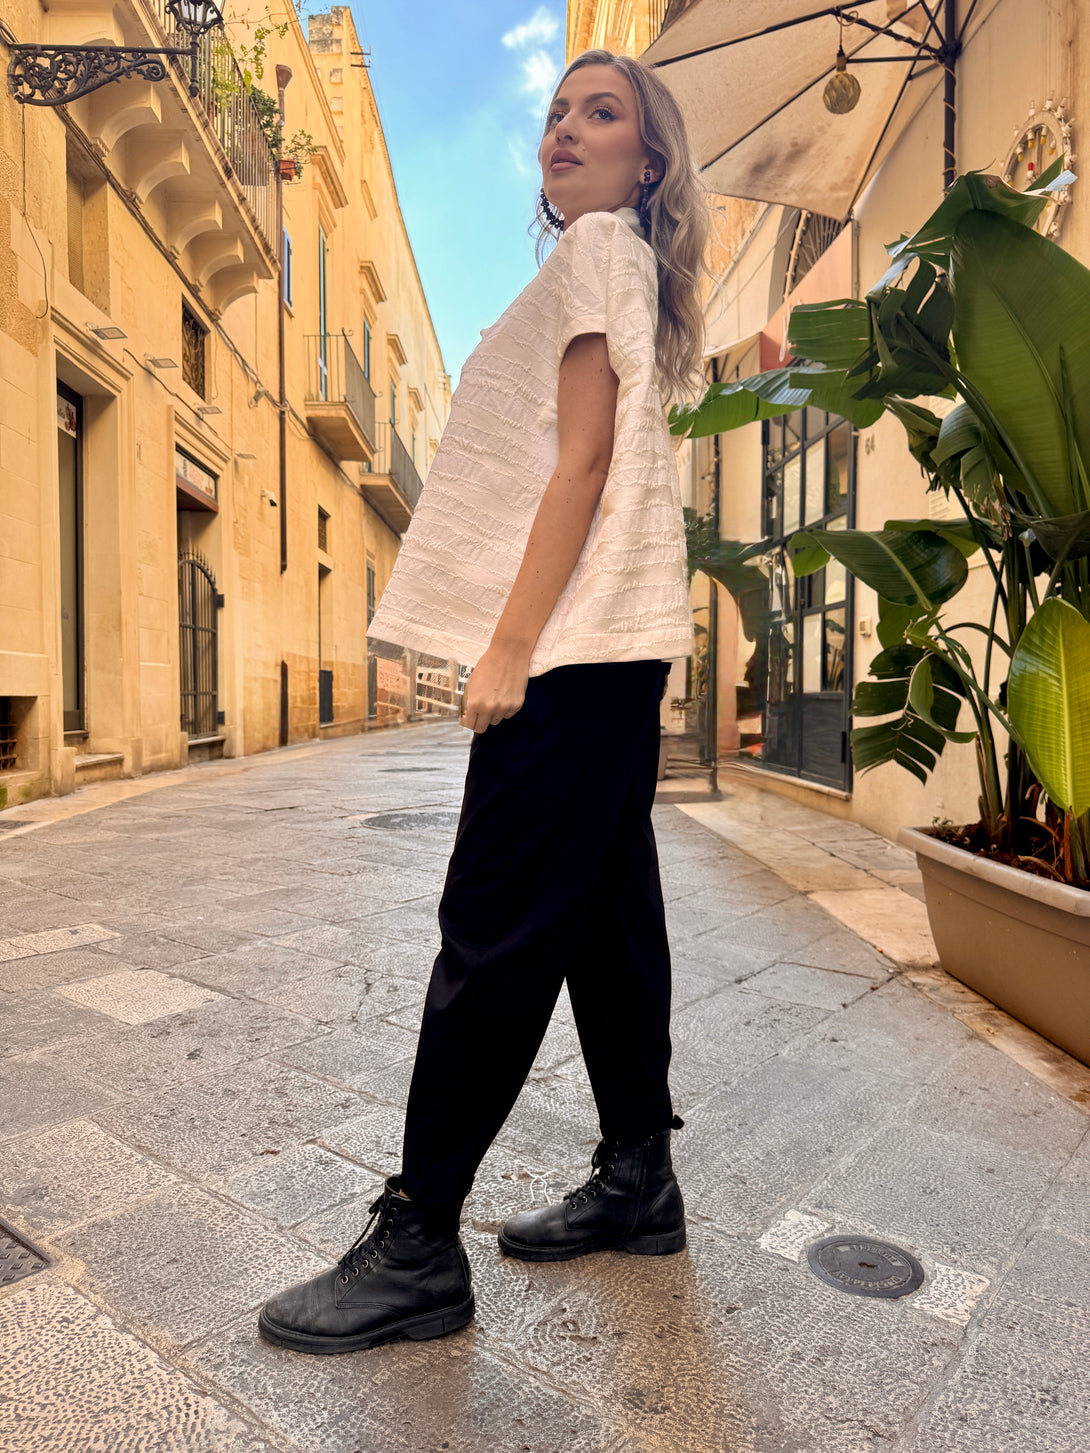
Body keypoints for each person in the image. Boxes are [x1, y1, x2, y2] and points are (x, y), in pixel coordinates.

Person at [259, 48, 710, 1356]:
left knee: (495, 921)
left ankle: (418, 1240)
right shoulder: (616, 260)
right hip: (615, 645)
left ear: (648, 160)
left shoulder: (598, 253)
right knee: (605, 911)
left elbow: (579, 465)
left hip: (574, 645)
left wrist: (508, 648)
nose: (566, 128)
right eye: (558, 111)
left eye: (602, 113)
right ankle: (639, 1175)